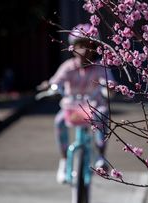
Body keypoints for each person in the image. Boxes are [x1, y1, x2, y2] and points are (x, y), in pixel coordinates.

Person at [39, 23, 114, 184]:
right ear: (73, 48)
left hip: (94, 109)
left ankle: (101, 155)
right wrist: (51, 86)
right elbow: (56, 81)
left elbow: (108, 82)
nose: (85, 50)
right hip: (72, 109)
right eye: (80, 45)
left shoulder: (100, 68)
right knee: (59, 121)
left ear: (95, 48)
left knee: (102, 117)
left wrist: (109, 88)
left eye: (89, 45)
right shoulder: (68, 67)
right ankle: (65, 160)